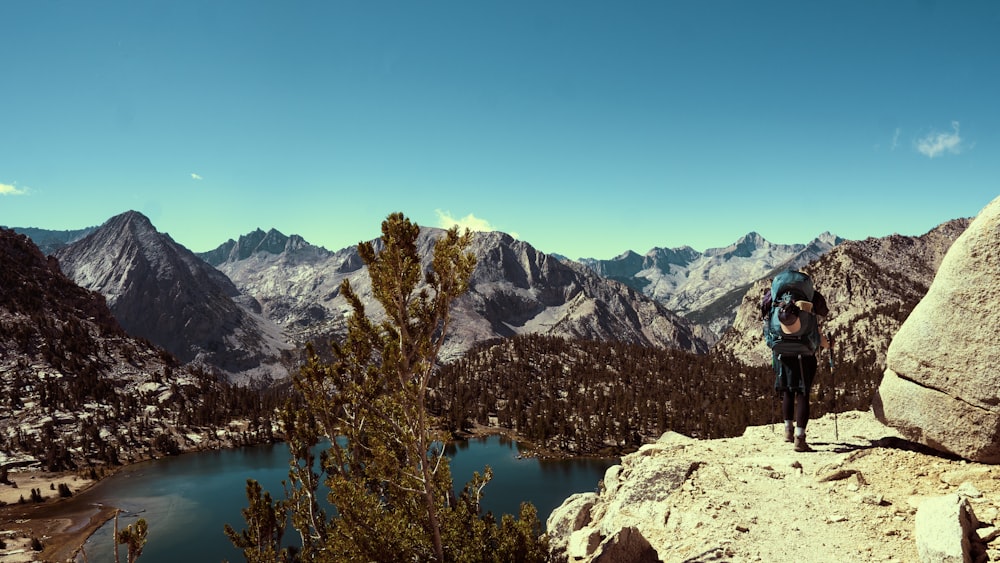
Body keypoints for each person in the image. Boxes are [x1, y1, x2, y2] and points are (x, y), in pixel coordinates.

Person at [772, 286, 830, 452]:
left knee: (788, 391)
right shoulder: (807, 309)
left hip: (782, 355)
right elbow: (820, 339)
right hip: (805, 357)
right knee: (802, 394)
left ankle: (788, 431)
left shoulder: (779, 308)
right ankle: (800, 438)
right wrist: (828, 344)